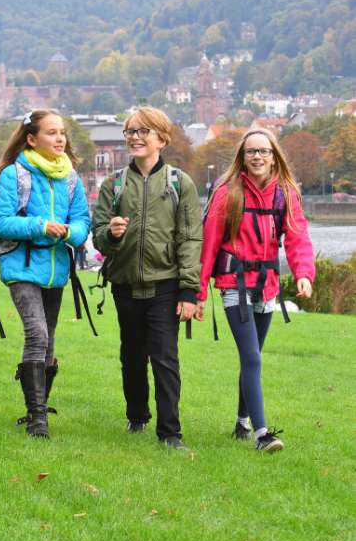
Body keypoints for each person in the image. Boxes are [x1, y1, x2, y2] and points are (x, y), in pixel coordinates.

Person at [196, 128, 315, 452]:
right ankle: (263, 435)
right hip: (234, 284)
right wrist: (198, 294)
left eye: (264, 151)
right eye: (251, 152)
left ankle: (241, 422)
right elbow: (209, 244)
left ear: (274, 156)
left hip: (267, 286)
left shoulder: (285, 193)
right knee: (251, 357)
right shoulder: (227, 193)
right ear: (242, 158)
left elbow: (297, 236)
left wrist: (304, 273)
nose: (258, 157)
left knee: (253, 357)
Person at [93, 107, 202, 449]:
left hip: (165, 284)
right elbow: (97, 236)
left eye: (143, 131)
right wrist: (110, 234)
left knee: (165, 357)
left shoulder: (178, 183)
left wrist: (188, 290)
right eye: (130, 132)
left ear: (162, 139)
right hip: (125, 285)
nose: (135, 137)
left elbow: (190, 237)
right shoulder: (114, 184)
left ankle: (170, 432)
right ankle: (137, 416)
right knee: (132, 355)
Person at [0, 109, 90, 439]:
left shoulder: (71, 178)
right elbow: (0, 221)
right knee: (38, 334)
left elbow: (82, 223)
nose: (60, 138)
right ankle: (37, 419)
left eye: (62, 132)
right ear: (32, 139)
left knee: (49, 342)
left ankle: (38, 409)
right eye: (51, 133)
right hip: (21, 268)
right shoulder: (13, 175)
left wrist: (69, 233)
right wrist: (40, 226)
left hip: (56, 271)